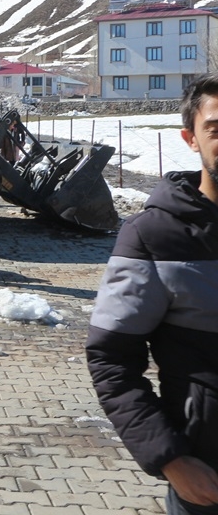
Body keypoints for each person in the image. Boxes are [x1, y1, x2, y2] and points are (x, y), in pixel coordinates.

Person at [87, 74, 218, 515]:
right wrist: (172, 460)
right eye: (217, 128)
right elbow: (111, 358)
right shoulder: (154, 236)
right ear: (191, 138)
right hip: (208, 477)